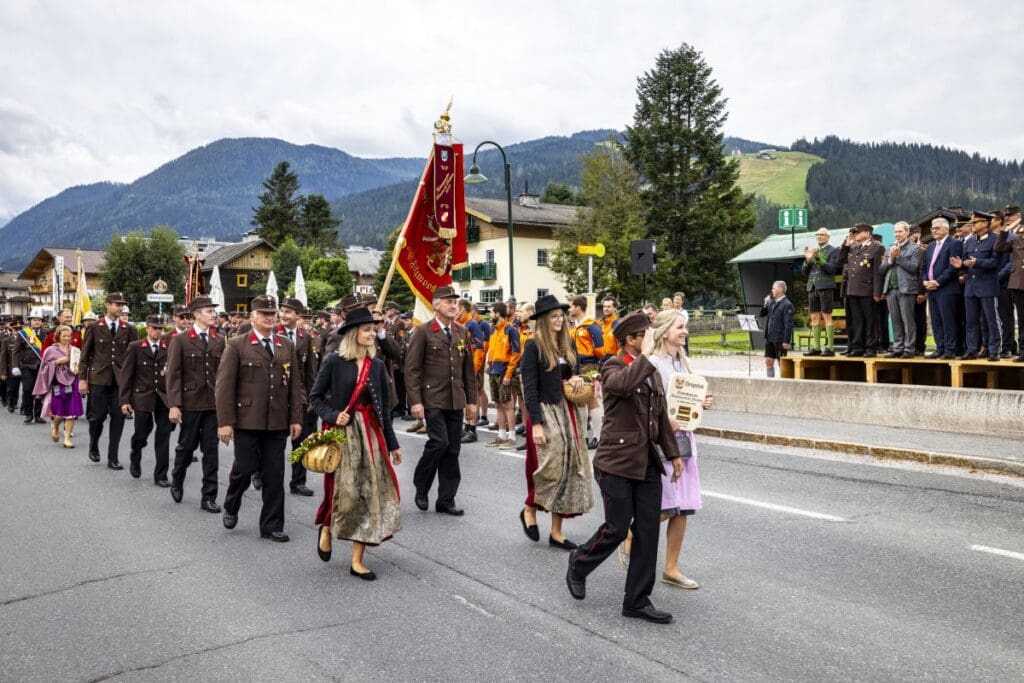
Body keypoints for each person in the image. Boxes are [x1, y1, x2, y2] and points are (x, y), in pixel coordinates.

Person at [566, 311, 682, 625]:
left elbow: (659, 419)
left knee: (647, 532)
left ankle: (637, 600)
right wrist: (646, 356)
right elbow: (623, 384)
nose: (651, 337)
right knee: (617, 528)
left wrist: (674, 455)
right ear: (631, 339)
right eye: (645, 333)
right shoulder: (613, 366)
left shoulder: (652, 372)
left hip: (646, 462)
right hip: (616, 464)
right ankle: (579, 563)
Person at [620, 310, 713, 589]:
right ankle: (631, 535)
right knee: (667, 505)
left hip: (684, 438)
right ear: (664, 331)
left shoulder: (682, 363)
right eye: (680, 327)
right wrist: (665, 421)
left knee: (683, 508)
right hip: (661, 442)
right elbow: (647, 404)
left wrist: (701, 403)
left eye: (685, 327)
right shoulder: (655, 363)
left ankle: (671, 568)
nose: (685, 332)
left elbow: (685, 400)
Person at [309, 306, 402, 579]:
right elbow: (315, 397)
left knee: (368, 493)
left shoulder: (378, 366)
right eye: (367, 330)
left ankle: (357, 560)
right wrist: (332, 414)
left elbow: (384, 410)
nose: (373, 334)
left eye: (374, 329)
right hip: (342, 432)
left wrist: (393, 444)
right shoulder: (333, 361)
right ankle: (327, 527)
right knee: (341, 491)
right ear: (353, 333)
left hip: (370, 433)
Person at [217, 296, 304, 543]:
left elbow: (295, 385)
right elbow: (224, 387)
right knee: (244, 469)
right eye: (263, 313)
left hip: (276, 421)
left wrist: (295, 417)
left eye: (272, 313)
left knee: (274, 475)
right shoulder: (237, 344)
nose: (269, 317)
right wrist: (225, 422)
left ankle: (272, 525)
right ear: (253, 317)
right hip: (247, 420)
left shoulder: (286, 345)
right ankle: (231, 504)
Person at [519, 295, 594, 549]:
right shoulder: (533, 346)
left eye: (561, 315)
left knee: (570, 467)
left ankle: (556, 532)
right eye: (553, 316)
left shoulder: (568, 344)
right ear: (542, 320)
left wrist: (577, 380)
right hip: (544, 411)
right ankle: (530, 508)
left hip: (567, 411)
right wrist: (536, 423)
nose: (559, 319)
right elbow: (529, 387)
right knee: (551, 466)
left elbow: (576, 374)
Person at [404, 285, 477, 516]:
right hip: (432, 397)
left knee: (453, 449)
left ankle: (446, 499)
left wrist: (472, 401)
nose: (454, 305)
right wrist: (415, 401)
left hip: (455, 398)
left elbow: (468, 370)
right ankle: (421, 485)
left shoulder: (462, 331)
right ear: (436, 305)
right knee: (439, 442)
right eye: (448, 301)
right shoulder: (423, 331)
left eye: (455, 302)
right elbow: (412, 369)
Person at [166, 295, 224, 512]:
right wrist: (174, 404)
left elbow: (223, 375)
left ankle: (208, 496)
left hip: (213, 405)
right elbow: (173, 374)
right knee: (186, 447)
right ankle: (177, 478)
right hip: (190, 403)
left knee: (211, 451)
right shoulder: (181, 340)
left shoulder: (219, 339)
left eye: (213, 311)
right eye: (209, 311)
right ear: (197, 314)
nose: (213, 314)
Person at [77, 293, 134, 466]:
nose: (120, 307)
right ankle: (93, 445)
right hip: (98, 379)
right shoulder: (94, 327)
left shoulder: (128, 328)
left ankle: (113, 458)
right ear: (107, 305)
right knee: (97, 417)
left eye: (122, 304)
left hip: (120, 381)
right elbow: (85, 355)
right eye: (117, 304)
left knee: (118, 418)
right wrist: (82, 379)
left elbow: (133, 358)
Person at [118, 315, 174, 485]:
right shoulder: (136, 347)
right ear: (147, 328)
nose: (158, 331)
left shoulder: (169, 346)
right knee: (142, 432)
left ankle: (161, 474)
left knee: (163, 435)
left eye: (160, 328)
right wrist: (124, 400)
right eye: (154, 328)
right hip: (142, 395)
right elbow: (126, 375)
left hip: (163, 397)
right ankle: (136, 453)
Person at [954, 211, 1001, 361]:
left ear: (985, 223)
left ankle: (993, 351)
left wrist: (978, 263)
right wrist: (960, 264)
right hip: (971, 287)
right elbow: (965, 260)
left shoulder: (996, 239)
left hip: (987, 286)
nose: (972, 225)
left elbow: (995, 262)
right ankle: (972, 349)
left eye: (975, 223)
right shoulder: (970, 242)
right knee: (971, 321)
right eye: (972, 223)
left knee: (991, 320)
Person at [837, 224, 884, 357]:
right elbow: (840, 262)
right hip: (853, 290)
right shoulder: (853, 247)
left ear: (867, 233)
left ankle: (870, 347)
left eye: (858, 232)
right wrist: (846, 244)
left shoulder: (876, 247)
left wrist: (877, 292)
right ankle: (858, 347)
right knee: (857, 320)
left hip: (868, 290)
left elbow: (877, 272)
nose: (855, 234)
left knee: (870, 320)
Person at [922, 217, 965, 359]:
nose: (934, 230)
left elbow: (953, 268)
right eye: (933, 228)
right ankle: (939, 348)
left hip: (947, 289)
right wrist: (925, 282)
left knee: (948, 321)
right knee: (936, 321)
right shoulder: (930, 247)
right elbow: (924, 268)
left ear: (946, 229)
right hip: (931, 290)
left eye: (937, 228)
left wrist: (938, 282)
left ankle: (950, 349)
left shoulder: (954, 244)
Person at [34, 324, 82, 448]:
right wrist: (57, 362)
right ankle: (55, 426)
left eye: (68, 336)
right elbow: (43, 368)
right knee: (60, 413)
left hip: (73, 381)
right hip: (57, 383)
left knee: (71, 412)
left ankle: (67, 438)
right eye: (64, 335)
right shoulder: (50, 350)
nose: (66, 338)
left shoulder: (75, 350)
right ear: (58, 336)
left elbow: (80, 367)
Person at [879, 221, 923, 358]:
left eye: (900, 231)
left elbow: (913, 268)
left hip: (907, 288)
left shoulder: (915, 248)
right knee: (895, 320)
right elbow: (881, 270)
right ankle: (898, 347)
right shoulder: (890, 248)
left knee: (908, 320)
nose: (897, 234)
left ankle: (909, 349)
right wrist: (891, 258)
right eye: (896, 232)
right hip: (891, 289)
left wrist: (897, 257)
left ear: (907, 232)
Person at [568, 295, 605, 450]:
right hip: (576, 367)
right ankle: (581, 436)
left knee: (593, 401)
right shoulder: (574, 327)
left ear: (578, 307)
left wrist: (596, 370)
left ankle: (598, 436)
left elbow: (600, 351)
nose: (569, 309)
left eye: (570, 306)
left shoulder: (592, 327)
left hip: (589, 366)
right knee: (579, 401)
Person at [483, 302, 521, 449]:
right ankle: (501, 435)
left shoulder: (511, 330)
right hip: (493, 370)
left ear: (498, 313)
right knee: (498, 404)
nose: (490, 315)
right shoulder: (493, 330)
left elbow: (516, 353)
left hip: (504, 371)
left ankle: (511, 437)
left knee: (508, 404)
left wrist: (508, 374)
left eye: (491, 312)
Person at [801, 228, 840, 356]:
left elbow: (832, 269)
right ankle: (816, 347)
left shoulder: (833, 250)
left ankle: (830, 348)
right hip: (812, 286)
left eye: (822, 235)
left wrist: (818, 258)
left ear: (828, 237)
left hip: (826, 287)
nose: (819, 237)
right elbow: (804, 272)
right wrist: (807, 260)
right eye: (817, 235)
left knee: (827, 316)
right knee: (814, 317)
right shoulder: (812, 251)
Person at [995, 204, 1024, 362]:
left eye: (1011, 215)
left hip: (1016, 279)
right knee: (1021, 318)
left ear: (1018, 216)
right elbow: (999, 247)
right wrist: (1005, 230)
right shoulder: (1015, 236)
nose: (1007, 218)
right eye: (1006, 216)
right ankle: (1022, 351)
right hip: (1017, 282)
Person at [12, 310, 45, 424]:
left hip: (42, 367)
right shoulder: (23, 333)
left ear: (42, 322)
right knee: (27, 390)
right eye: (34, 320)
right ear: (30, 321)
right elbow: (16, 351)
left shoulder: (46, 334)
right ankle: (28, 414)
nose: (37, 322)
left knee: (40, 391)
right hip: (27, 366)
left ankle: (38, 415)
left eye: (39, 320)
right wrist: (15, 366)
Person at [759, 281, 794, 378]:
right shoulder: (772, 302)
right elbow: (762, 314)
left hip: (780, 339)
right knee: (768, 361)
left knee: (781, 363)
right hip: (770, 337)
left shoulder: (787, 304)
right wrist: (765, 303)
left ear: (779, 290)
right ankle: (771, 383)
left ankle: (784, 383)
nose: (772, 290)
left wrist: (786, 341)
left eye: (773, 288)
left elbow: (788, 324)